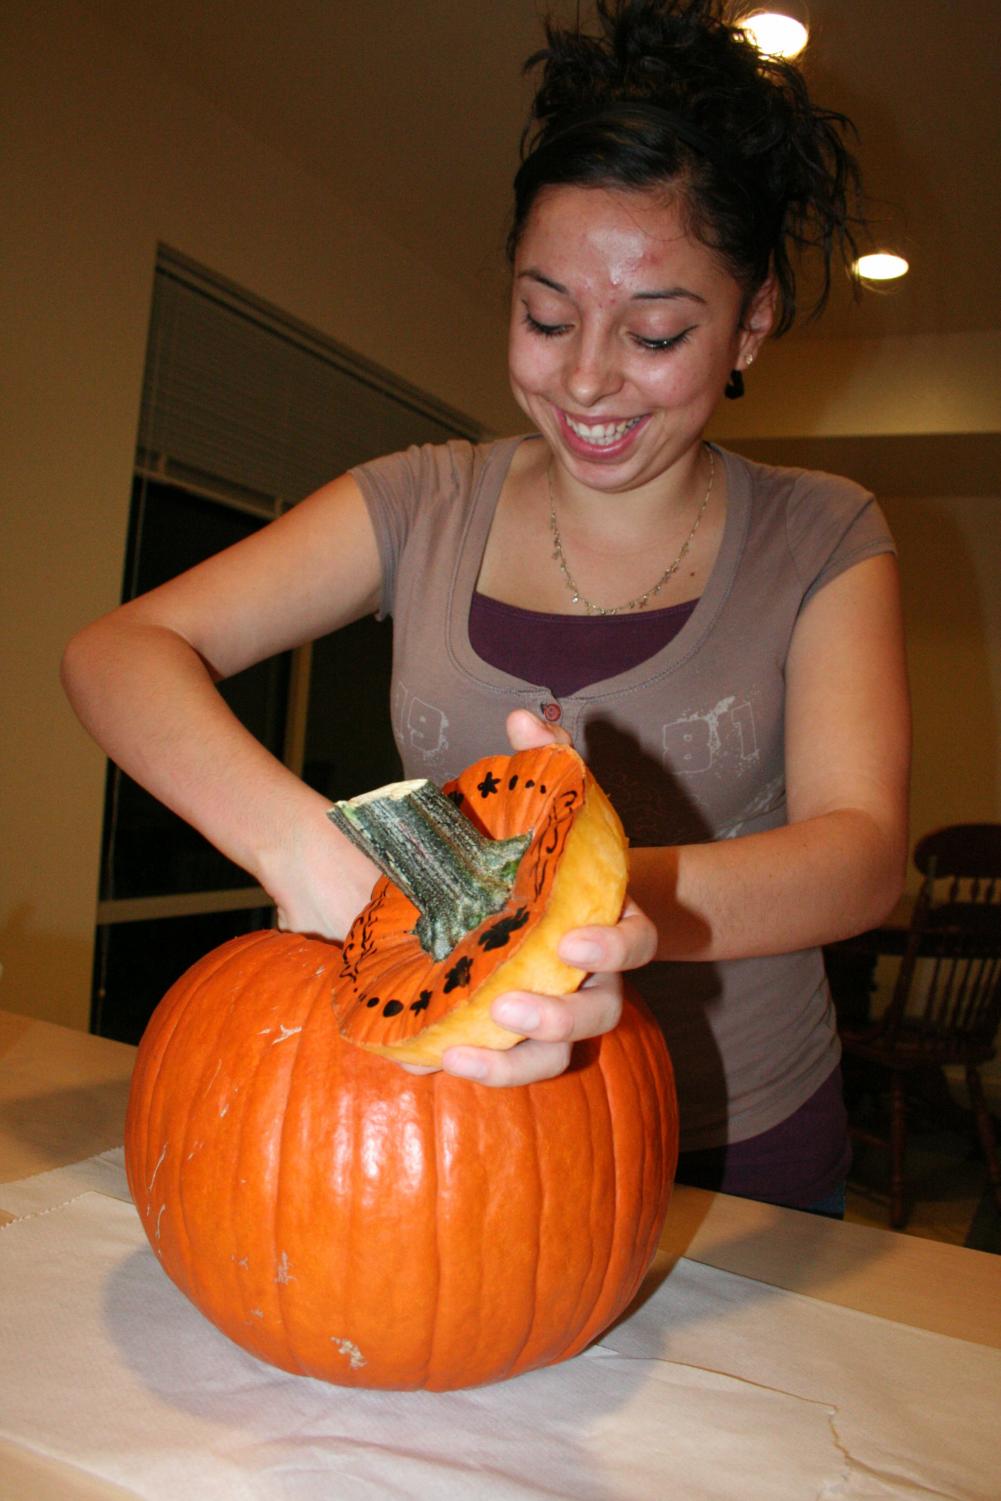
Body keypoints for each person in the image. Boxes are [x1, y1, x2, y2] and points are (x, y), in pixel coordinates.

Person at [61, 0, 909, 1216]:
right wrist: (312, 852)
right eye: (545, 315)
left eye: (655, 331)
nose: (583, 378)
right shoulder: (421, 502)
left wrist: (575, 900)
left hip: (741, 1156)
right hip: (457, 1130)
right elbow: (119, 651)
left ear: (751, 319)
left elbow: (859, 856)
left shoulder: (821, 532)